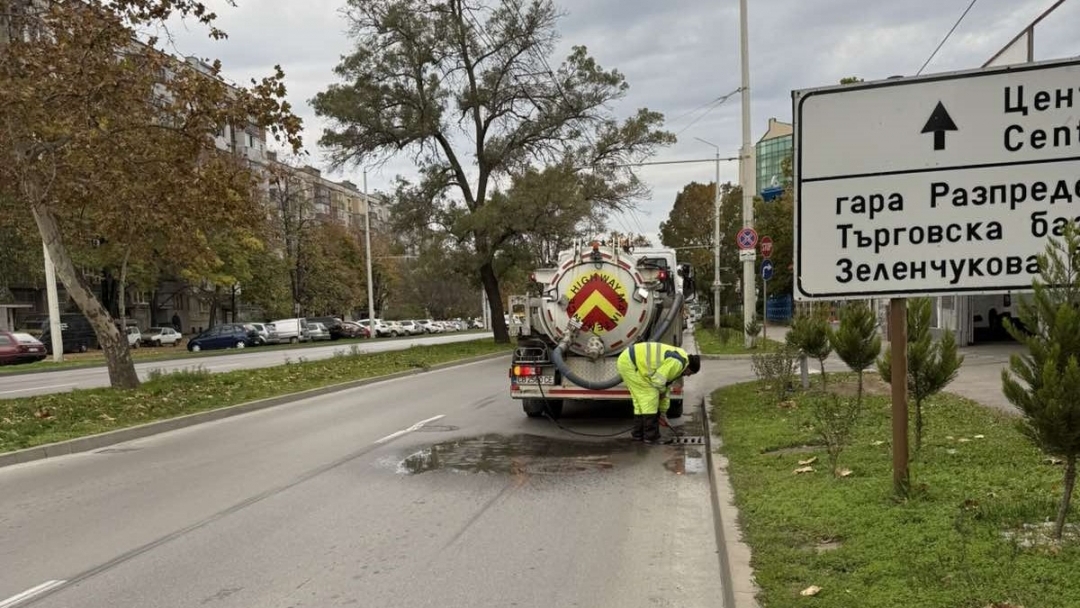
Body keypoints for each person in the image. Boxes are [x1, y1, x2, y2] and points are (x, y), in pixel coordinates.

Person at [616, 342, 701, 444]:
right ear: (689, 368)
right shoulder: (677, 363)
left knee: (640, 402)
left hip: (628, 361)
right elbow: (658, 382)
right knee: (650, 396)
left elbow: (666, 388)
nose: (688, 376)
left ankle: (638, 434)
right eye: (690, 373)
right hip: (630, 363)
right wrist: (661, 393)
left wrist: (663, 413)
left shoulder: (680, 362)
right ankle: (651, 437)